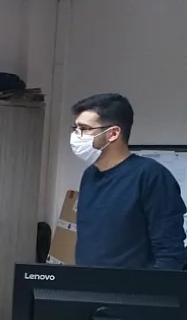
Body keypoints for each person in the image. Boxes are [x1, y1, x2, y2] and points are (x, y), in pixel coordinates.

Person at [71, 93, 187, 269]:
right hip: (90, 282)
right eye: (75, 128)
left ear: (113, 133)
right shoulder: (90, 175)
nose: (76, 135)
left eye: (84, 129)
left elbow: (170, 252)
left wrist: (150, 286)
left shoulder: (151, 175)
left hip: (133, 285)